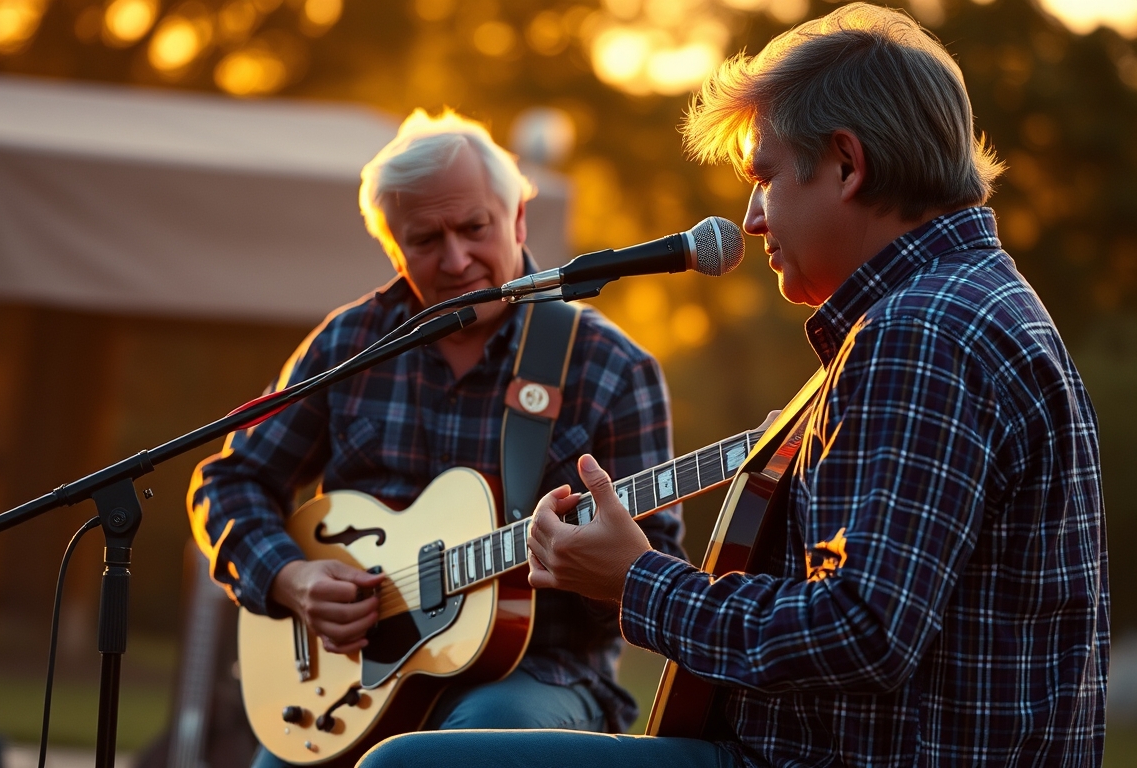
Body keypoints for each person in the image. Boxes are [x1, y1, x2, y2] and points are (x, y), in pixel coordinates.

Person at [357, 5, 1108, 767]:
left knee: (406, 766)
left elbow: (862, 631)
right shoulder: (964, 303)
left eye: (765, 177)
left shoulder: (920, 335)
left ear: (847, 165)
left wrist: (637, 580)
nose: (749, 218)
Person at [187, 108, 685, 768]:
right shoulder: (350, 344)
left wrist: (598, 573)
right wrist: (291, 576)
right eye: (425, 239)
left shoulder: (610, 367)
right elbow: (229, 481)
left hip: (536, 677)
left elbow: (655, 568)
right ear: (394, 248)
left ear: (517, 221)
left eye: (475, 228)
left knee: (460, 752)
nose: (456, 260)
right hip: (349, 683)